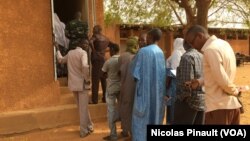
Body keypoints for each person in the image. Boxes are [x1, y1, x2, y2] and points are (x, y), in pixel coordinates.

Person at [185, 25, 242, 125]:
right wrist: (199, 82)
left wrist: (235, 91)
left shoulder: (210, 50)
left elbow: (221, 78)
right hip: (231, 106)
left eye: (192, 42)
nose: (192, 46)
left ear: (200, 36)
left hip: (218, 108)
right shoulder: (224, 44)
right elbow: (217, 74)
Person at [131, 28, 166, 141]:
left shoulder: (143, 51)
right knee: (155, 116)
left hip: (144, 92)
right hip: (157, 93)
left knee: (141, 121)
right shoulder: (161, 52)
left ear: (150, 37)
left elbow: (134, 72)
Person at [56, 39, 93, 138]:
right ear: (81, 44)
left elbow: (60, 60)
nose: (87, 45)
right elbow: (85, 66)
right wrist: (87, 79)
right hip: (82, 84)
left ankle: (90, 126)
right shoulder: (83, 53)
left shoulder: (70, 53)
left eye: (87, 44)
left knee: (82, 108)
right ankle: (83, 131)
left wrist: (57, 50)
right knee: (83, 108)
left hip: (73, 85)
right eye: (85, 44)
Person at [172, 37, 205, 125]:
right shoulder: (202, 56)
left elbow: (187, 84)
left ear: (185, 43)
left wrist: (183, 99)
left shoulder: (187, 57)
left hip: (189, 103)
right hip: (202, 100)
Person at [118, 36, 138, 137]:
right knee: (135, 108)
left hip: (125, 86)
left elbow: (119, 72)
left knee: (125, 107)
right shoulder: (137, 56)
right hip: (136, 87)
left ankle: (125, 130)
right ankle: (134, 131)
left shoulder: (122, 56)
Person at [102, 43, 120, 141]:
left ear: (113, 49)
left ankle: (113, 135)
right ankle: (126, 131)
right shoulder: (122, 59)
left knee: (111, 111)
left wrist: (109, 76)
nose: (108, 52)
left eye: (109, 50)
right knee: (123, 108)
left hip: (111, 88)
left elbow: (103, 73)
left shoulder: (108, 62)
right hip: (121, 88)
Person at [165, 38, 185, 125]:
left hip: (173, 83)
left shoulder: (177, 53)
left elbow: (175, 71)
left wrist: (167, 81)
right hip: (180, 82)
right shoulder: (183, 52)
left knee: (172, 104)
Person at [90, 25, 111, 104]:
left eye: (93, 29)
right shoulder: (106, 38)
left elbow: (90, 41)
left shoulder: (95, 36)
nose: (92, 30)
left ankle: (94, 100)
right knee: (103, 79)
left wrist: (94, 51)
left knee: (95, 80)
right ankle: (105, 98)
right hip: (104, 59)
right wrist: (105, 51)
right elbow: (112, 45)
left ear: (96, 30)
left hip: (96, 60)